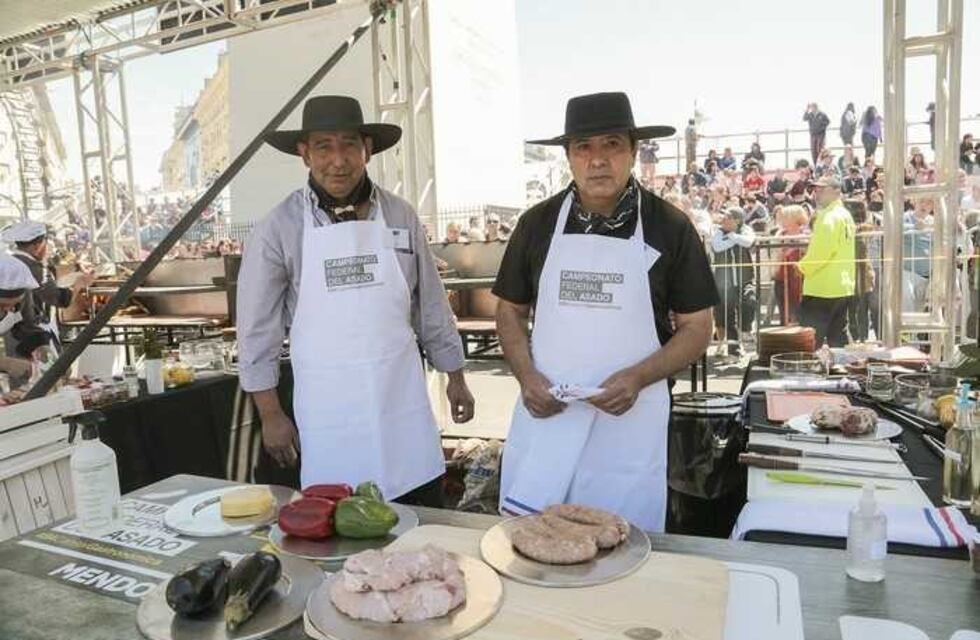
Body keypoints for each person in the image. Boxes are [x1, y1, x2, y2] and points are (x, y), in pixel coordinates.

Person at [493, 92, 717, 532]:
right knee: (536, 543)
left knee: (624, 550)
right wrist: (526, 376)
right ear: (569, 157)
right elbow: (510, 311)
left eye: (612, 144)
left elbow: (696, 328)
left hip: (630, 424)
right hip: (548, 416)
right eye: (584, 148)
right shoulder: (536, 224)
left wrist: (637, 377)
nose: (598, 160)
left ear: (633, 151)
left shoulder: (670, 227)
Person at [236, 95, 475, 501]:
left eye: (349, 145)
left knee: (417, 518)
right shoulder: (278, 228)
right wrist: (271, 415)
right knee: (340, 525)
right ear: (304, 154)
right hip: (328, 409)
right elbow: (258, 331)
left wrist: (455, 376)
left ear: (367, 149)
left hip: (399, 399)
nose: (338, 160)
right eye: (323, 146)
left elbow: (430, 306)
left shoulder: (400, 215)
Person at [1, 221, 92, 358]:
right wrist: (79, 284)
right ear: (37, 246)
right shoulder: (33, 268)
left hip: (17, 334)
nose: (48, 248)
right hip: (28, 335)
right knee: (39, 374)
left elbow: (48, 276)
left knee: (29, 375)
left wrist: (75, 267)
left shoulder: (13, 261)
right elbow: (61, 298)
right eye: (46, 243)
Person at [797, 175, 856, 347]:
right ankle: (842, 371)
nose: (817, 194)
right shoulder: (845, 215)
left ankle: (808, 372)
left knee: (810, 339)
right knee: (838, 337)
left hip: (822, 288)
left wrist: (802, 267)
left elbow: (822, 251)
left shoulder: (828, 217)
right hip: (842, 285)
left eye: (822, 190)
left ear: (837, 191)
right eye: (816, 190)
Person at [711, 207, 755, 358]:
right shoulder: (717, 231)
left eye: (727, 217)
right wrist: (734, 238)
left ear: (737, 220)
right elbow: (718, 246)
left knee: (749, 301)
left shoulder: (746, 229)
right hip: (725, 282)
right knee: (727, 315)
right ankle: (733, 350)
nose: (722, 220)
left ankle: (746, 330)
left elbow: (748, 242)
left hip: (745, 278)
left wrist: (731, 237)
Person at [0, 254, 40, 381]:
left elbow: (25, 327)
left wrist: (42, 347)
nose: (8, 310)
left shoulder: (21, 300)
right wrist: (5, 363)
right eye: (2, 305)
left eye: (14, 305)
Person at [843, 199, 875, 342]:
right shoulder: (844, 228)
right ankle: (854, 338)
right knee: (851, 310)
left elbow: (868, 230)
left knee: (862, 309)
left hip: (861, 274)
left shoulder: (864, 228)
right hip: (848, 273)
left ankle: (862, 338)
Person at [773, 205, 807, 325]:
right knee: (784, 313)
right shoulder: (780, 235)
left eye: (786, 217)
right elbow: (777, 254)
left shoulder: (806, 235)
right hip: (782, 277)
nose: (782, 220)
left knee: (800, 313)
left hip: (800, 278)